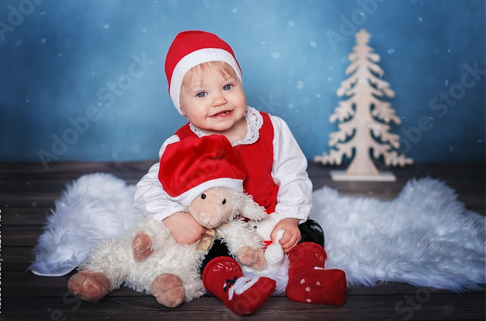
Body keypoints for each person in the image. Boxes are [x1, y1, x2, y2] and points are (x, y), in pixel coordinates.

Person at [134, 30, 346, 315]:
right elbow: (148, 188)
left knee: (309, 231)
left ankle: (306, 278)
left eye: (228, 87)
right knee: (207, 248)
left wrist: (290, 218)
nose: (219, 100)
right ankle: (232, 286)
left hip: (269, 218)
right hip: (221, 229)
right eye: (201, 94)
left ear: (241, 84)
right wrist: (174, 217)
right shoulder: (180, 145)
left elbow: (294, 174)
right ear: (181, 106)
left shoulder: (272, 128)